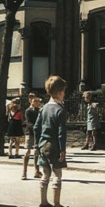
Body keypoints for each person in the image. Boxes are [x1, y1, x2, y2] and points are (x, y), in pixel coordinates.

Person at [34, 75, 67, 207]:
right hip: (54, 146)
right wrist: (62, 149)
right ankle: (57, 203)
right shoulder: (60, 110)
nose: (64, 94)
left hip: (43, 145)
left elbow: (36, 127)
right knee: (57, 174)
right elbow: (61, 133)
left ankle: (43, 202)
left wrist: (37, 144)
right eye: (64, 91)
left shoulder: (43, 108)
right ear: (60, 92)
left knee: (45, 174)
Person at [21, 92, 42, 180]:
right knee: (27, 152)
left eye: (38, 101)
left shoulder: (40, 111)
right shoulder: (28, 111)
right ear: (31, 101)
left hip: (38, 134)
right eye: (35, 101)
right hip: (30, 132)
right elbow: (29, 122)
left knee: (37, 152)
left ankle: (37, 171)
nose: (37, 102)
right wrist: (35, 128)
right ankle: (24, 172)